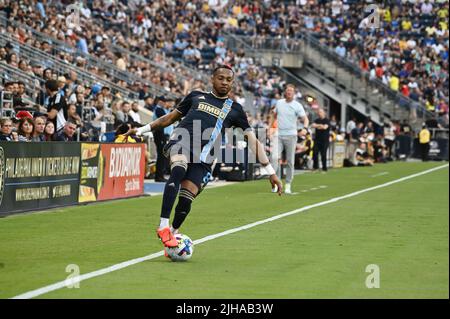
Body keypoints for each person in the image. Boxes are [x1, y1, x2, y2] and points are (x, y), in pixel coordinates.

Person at [127, 65, 282, 249]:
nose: (224, 82)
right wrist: (141, 130)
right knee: (178, 168)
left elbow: (253, 141)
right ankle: (163, 226)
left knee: (185, 200)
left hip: (204, 159)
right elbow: (168, 119)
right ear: (212, 79)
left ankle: (173, 233)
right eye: (221, 78)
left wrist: (271, 172)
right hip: (180, 142)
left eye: (228, 80)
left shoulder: (235, 109)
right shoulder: (195, 96)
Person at [270, 84, 309, 194]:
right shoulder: (279, 103)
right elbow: (273, 114)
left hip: (291, 135)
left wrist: (305, 128)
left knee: (290, 161)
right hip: (278, 134)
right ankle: (277, 183)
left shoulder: (297, 105)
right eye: (287, 90)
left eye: (291, 91)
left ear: (294, 93)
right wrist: (270, 127)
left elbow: (305, 119)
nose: (289, 92)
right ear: (285, 92)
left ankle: (288, 184)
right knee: (274, 158)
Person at [153, 96, 173, 182]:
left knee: (163, 155)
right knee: (161, 155)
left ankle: (161, 174)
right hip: (159, 134)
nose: (166, 104)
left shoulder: (164, 110)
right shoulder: (158, 110)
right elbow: (165, 119)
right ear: (160, 102)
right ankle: (158, 176)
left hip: (163, 135)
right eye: (165, 102)